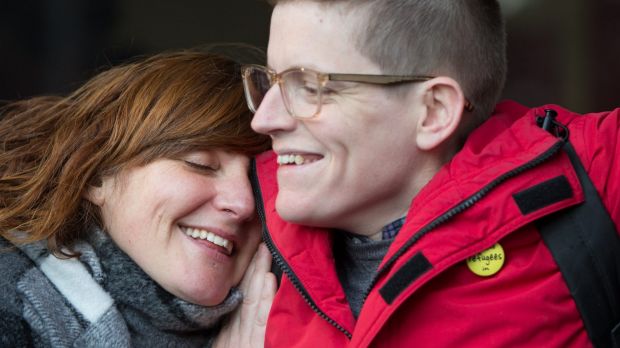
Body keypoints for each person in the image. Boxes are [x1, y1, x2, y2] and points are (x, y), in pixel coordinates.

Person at [241, 0, 620, 346]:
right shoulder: (234, 218)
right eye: (271, 82)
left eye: (308, 87)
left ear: (434, 111)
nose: (264, 119)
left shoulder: (591, 174)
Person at [0, 50, 275, 347]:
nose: (245, 204)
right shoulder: (11, 296)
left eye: (258, 184)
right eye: (201, 164)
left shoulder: (278, 320)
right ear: (97, 174)